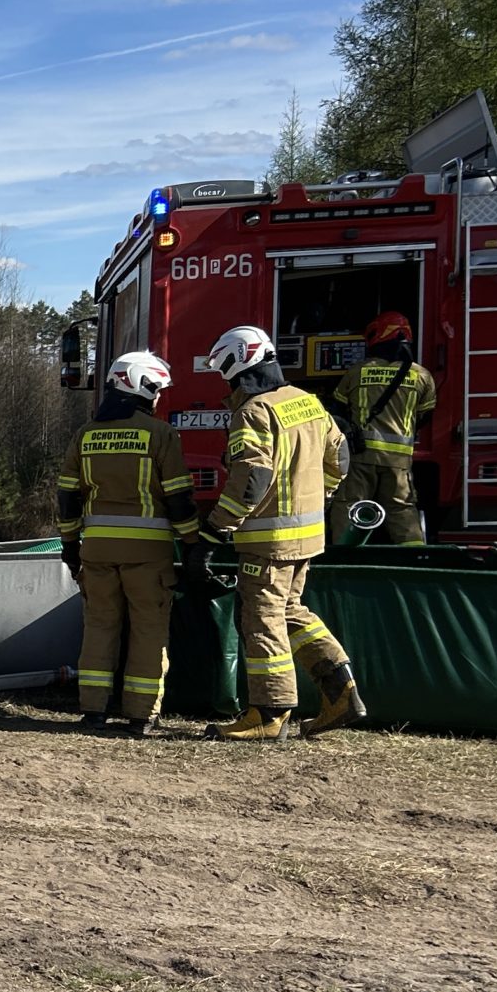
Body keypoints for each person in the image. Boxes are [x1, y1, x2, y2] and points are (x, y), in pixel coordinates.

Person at [200, 325, 367, 739]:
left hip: (268, 543)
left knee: (262, 621)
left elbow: (252, 478)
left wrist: (217, 527)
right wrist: (319, 497)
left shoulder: (254, 411)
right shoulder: (307, 402)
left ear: (237, 363)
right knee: (291, 611)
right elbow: (340, 458)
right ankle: (341, 691)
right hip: (306, 537)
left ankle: (268, 714)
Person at [58, 350, 200, 737]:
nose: (158, 397)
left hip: (96, 553)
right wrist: (193, 543)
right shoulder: (160, 434)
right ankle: (141, 715)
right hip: (148, 557)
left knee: (99, 627)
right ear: (141, 386)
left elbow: (67, 497)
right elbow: (179, 497)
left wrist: (69, 544)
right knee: (148, 632)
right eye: (156, 389)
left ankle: (93, 710)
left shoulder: (85, 435)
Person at [326, 312, 436, 544]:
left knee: (349, 506)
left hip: (360, 456)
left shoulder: (357, 371)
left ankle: (346, 558)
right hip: (399, 460)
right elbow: (425, 415)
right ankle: (414, 555)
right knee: (402, 509)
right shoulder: (422, 376)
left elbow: (336, 411)